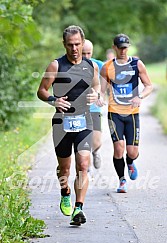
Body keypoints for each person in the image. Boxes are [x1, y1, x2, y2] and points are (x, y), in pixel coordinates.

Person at [37, 25, 100, 225]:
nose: (74, 48)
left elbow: (97, 85)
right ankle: (65, 192)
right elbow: (42, 91)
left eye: (77, 44)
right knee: (64, 169)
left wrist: (95, 94)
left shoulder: (91, 66)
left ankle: (78, 208)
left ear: (83, 43)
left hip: (85, 120)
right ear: (64, 44)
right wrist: (54, 100)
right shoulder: (56, 66)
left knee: (83, 165)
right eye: (70, 45)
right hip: (61, 124)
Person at [100, 33, 153, 193]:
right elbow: (101, 91)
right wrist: (99, 98)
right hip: (114, 113)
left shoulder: (137, 64)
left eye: (125, 48)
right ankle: (122, 180)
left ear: (128, 47)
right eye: (120, 48)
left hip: (132, 113)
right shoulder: (108, 67)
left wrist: (140, 96)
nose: (123, 51)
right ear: (114, 48)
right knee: (118, 148)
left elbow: (149, 86)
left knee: (132, 152)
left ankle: (130, 162)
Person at [82, 39, 104, 169]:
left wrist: (101, 96)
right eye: (83, 53)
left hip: (94, 108)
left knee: (96, 141)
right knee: (83, 142)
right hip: (79, 110)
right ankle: (85, 168)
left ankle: (96, 152)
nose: (86, 57)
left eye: (88, 53)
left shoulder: (98, 65)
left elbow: (105, 85)